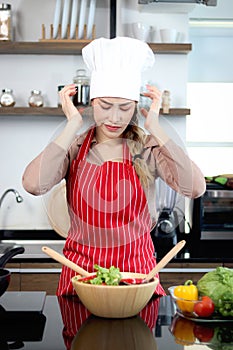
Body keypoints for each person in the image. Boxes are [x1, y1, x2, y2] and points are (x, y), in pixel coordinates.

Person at [22, 37, 206, 296]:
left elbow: (196, 187)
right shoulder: (74, 148)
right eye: (106, 106)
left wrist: (156, 128)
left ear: (135, 107)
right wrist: (71, 125)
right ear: (92, 103)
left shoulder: (147, 148)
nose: (115, 118)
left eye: (124, 108)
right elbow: (32, 184)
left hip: (138, 276)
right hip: (82, 276)